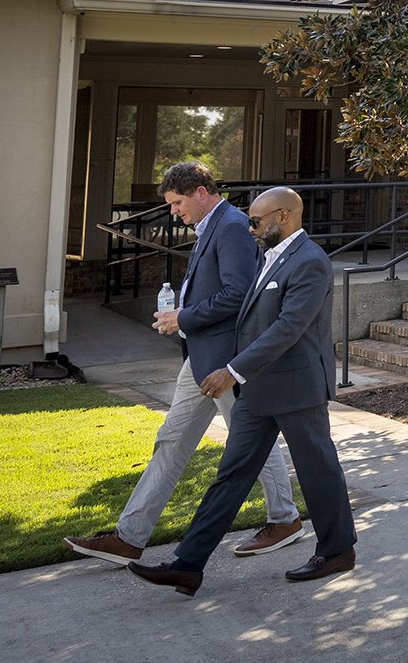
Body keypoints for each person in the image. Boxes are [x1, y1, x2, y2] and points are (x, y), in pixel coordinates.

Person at [63, 163, 303, 568]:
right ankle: (129, 537)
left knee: (251, 442)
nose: (174, 211)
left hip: (224, 362)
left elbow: (240, 293)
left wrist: (184, 318)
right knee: (172, 442)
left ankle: (285, 519)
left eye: (177, 203)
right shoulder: (213, 224)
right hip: (201, 360)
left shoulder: (228, 225)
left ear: (200, 191)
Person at [128, 188, 358, 596]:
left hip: (297, 386)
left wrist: (232, 371)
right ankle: (188, 565)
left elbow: (287, 328)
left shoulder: (310, 262)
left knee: (317, 470)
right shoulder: (270, 257)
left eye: (256, 221)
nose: (249, 228)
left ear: (283, 217)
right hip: (259, 389)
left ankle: (337, 550)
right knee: (231, 475)